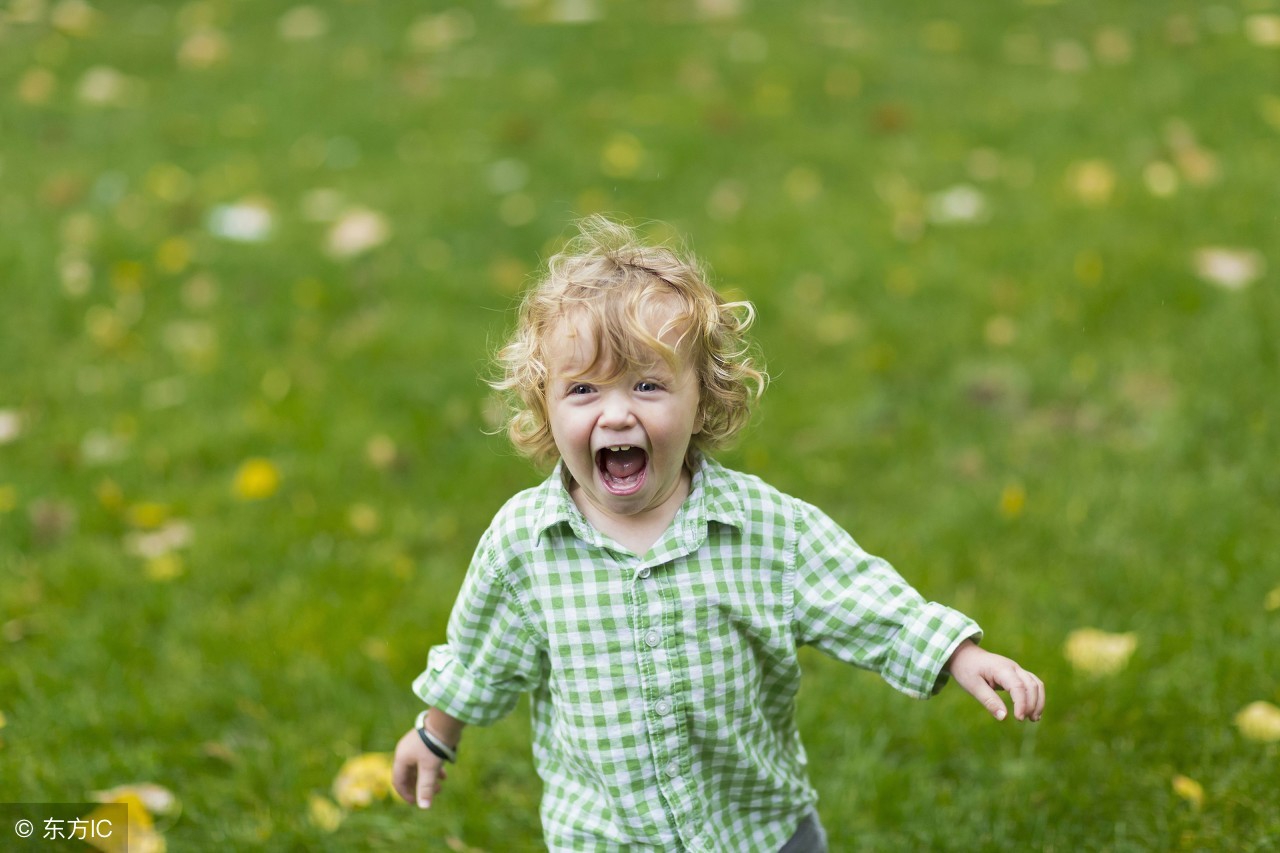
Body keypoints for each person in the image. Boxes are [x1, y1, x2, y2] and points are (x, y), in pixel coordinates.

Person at [392, 216, 1045, 851]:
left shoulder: (764, 529)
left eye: (648, 384)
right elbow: (480, 655)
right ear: (546, 406)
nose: (616, 412)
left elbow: (860, 593)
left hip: (757, 828)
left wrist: (957, 651)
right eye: (584, 389)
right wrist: (435, 733)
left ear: (702, 399)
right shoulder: (525, 546)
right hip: (607, 836)